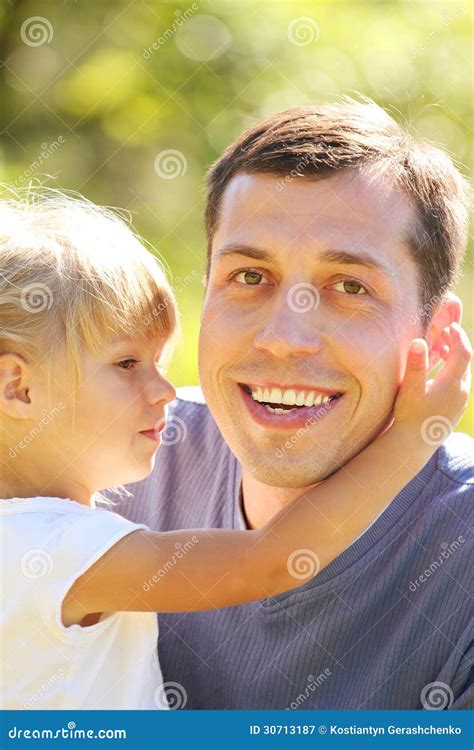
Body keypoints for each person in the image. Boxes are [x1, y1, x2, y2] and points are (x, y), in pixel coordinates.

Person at [2, 190, 469, 710]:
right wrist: (411, 438)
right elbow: (270, 563)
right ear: (18, 388)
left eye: (159, 362)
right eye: (126, 364)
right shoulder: (55, 546)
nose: (164, 391)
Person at [109, 97, 474, 710]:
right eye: (250, 276)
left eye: (351, 287)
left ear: (436, 339)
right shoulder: (106, 467)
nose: (283, 337)